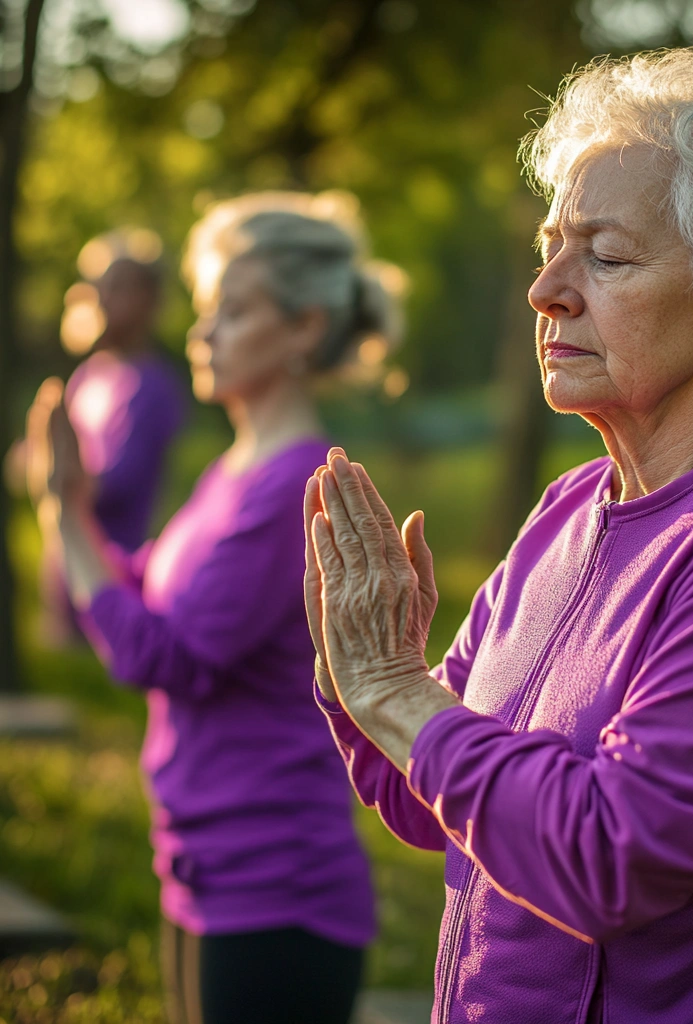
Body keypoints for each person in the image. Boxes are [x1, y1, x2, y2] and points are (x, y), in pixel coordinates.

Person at [304, 49, 693, 1024]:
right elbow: (433, 800)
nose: (546, 290)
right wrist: (357, 663)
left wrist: (395, 692)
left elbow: (604, 859)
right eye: (550, 246)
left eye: (606, 256)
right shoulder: (566, 510)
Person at [27, 192, 400, 1024]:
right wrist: (76, 514)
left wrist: (63, 513)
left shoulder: (293, 486)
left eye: (233, 313)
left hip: (274, 888)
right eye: (205, 312)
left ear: (303, 329)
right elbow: (138, 590)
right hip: (202, 865)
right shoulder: (236, 469)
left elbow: (165, 657)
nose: (202, 333)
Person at [41, 230, 187, 644]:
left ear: (150, 299)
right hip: (65, 566)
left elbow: (121, 481)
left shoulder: (153, 385)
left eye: (121, 286)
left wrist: (59, 476)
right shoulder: (88, 375)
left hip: (114, 569)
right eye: (101, 285)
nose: (106, 296)